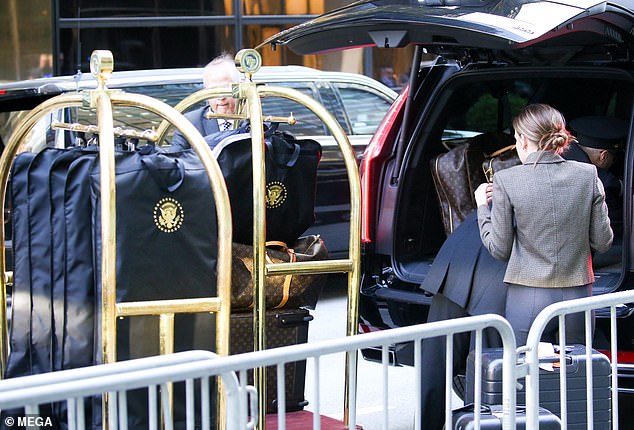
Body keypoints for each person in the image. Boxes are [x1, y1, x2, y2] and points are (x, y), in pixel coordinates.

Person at [475, 103, 613, 346]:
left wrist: (482, 208)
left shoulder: (507, 180)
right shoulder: (589, 174)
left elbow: (499, 249)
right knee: (575, 373)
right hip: (578, 292)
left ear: (524, 140)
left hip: (527, 294)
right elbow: (603, 242)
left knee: (523, 371)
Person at [565, 116, 627, 267]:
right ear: (603, 156)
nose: (614, 162)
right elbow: (616, 230)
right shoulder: (603, 182)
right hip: (582, 259)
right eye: (613, 158)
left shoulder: (560, 158)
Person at [171, 53, 241, 149]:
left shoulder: (254, 119)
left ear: (239, 87)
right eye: (213, 90)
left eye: (225, 88)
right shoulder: (189, 124)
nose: (220, 97)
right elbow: (176, 159)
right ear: (205, 92)